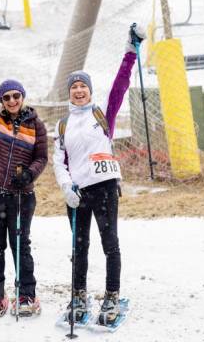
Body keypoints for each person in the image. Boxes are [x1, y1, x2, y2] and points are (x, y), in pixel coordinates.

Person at [53, 25, 145, 325]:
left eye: (83, 86)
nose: (79, 91)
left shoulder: (102, 114)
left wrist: (131, 50)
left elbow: (120, 84)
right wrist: (67, 187)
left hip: (104, 189)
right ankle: (78, 294)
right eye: (74, 88)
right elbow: (59, 160)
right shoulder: (63, 124)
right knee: (79, 247)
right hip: (77, 195)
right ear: (69, 93)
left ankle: (111, 295)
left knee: (110, 244)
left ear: (89, 91)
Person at [0, 43, 48, 318]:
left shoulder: (36, 124)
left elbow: (42, 157)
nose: (12, 101)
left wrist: (29, 174)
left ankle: (26, 295)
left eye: (16, 96)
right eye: (6, 98)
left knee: (20, 244)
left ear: (22, 97)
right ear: (1, 101)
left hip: (21, 194)